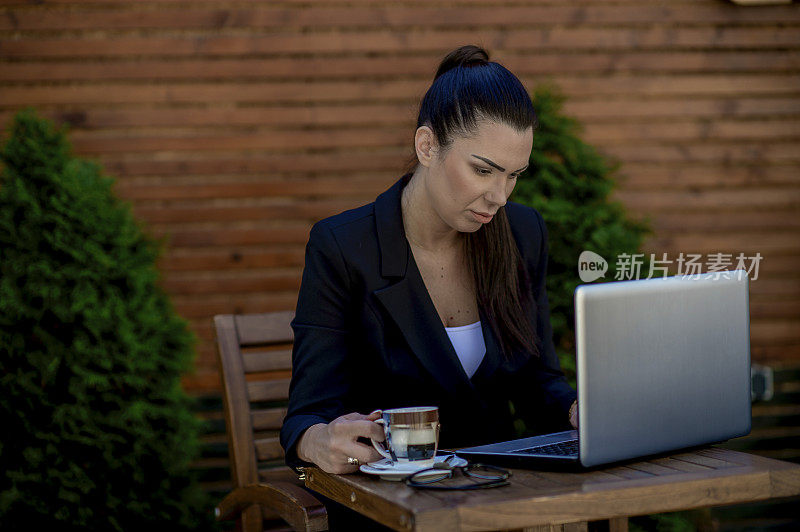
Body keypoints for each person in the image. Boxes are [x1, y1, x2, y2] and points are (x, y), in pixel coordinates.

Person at [280, 44, 578, 529]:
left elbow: (537, 381)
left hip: (501, 503)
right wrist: (317, 440)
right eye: (483, 170)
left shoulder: (522, 234)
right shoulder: (343, 247)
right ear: (427, 146)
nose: (499, 197)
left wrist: (575, 410)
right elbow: (306, 416)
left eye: (514, 176)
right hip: (391, 512)